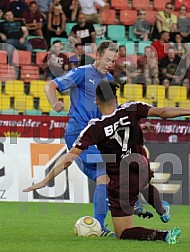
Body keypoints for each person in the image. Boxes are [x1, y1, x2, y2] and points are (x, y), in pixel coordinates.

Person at [24, 80, 190, 243]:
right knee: (144, 183)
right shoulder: (131, 108)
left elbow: (69, 157)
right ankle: (162, 210)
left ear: (96, 101)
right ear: (115, 97)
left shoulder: (95, 128)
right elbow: (162, 111)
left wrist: (44, 180)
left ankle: (165, 235)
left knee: (123, 232)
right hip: (142, 165)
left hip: (122, 180)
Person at [42, 41, 150, 237]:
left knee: (105, 178)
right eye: (107, 59)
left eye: (114, 60)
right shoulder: (81, 73)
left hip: (98, 137)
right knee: (111, 165)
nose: (110, 63)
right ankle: (132, 202)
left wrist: (138, 124)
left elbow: (114, 112)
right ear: (98, 56)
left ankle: (100, 225)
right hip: (78, 135)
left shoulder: (108, 79)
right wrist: (54, 101)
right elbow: (50, 85)